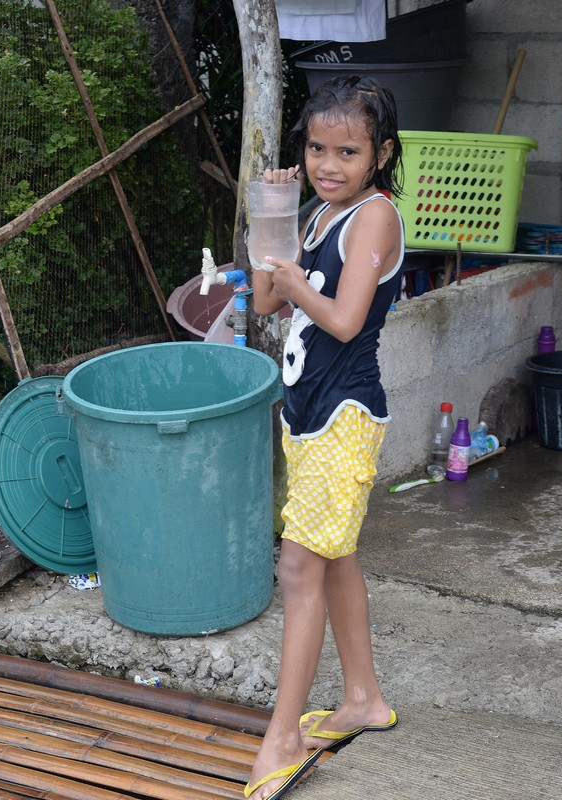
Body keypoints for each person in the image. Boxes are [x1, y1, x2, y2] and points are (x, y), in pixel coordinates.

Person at [243, 74, 404, 799]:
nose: (327, 164)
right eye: (316, 148)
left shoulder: (374, 217)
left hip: (345, 415)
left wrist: (296, 271)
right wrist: (273, 218)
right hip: (304, 408)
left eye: (347, 150)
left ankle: (280, 738)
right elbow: (271, 299)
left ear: (380, 155)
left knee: (300, 569)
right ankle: (364, 698)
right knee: (335, 558)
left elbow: (340, 319)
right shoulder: (313, 215)